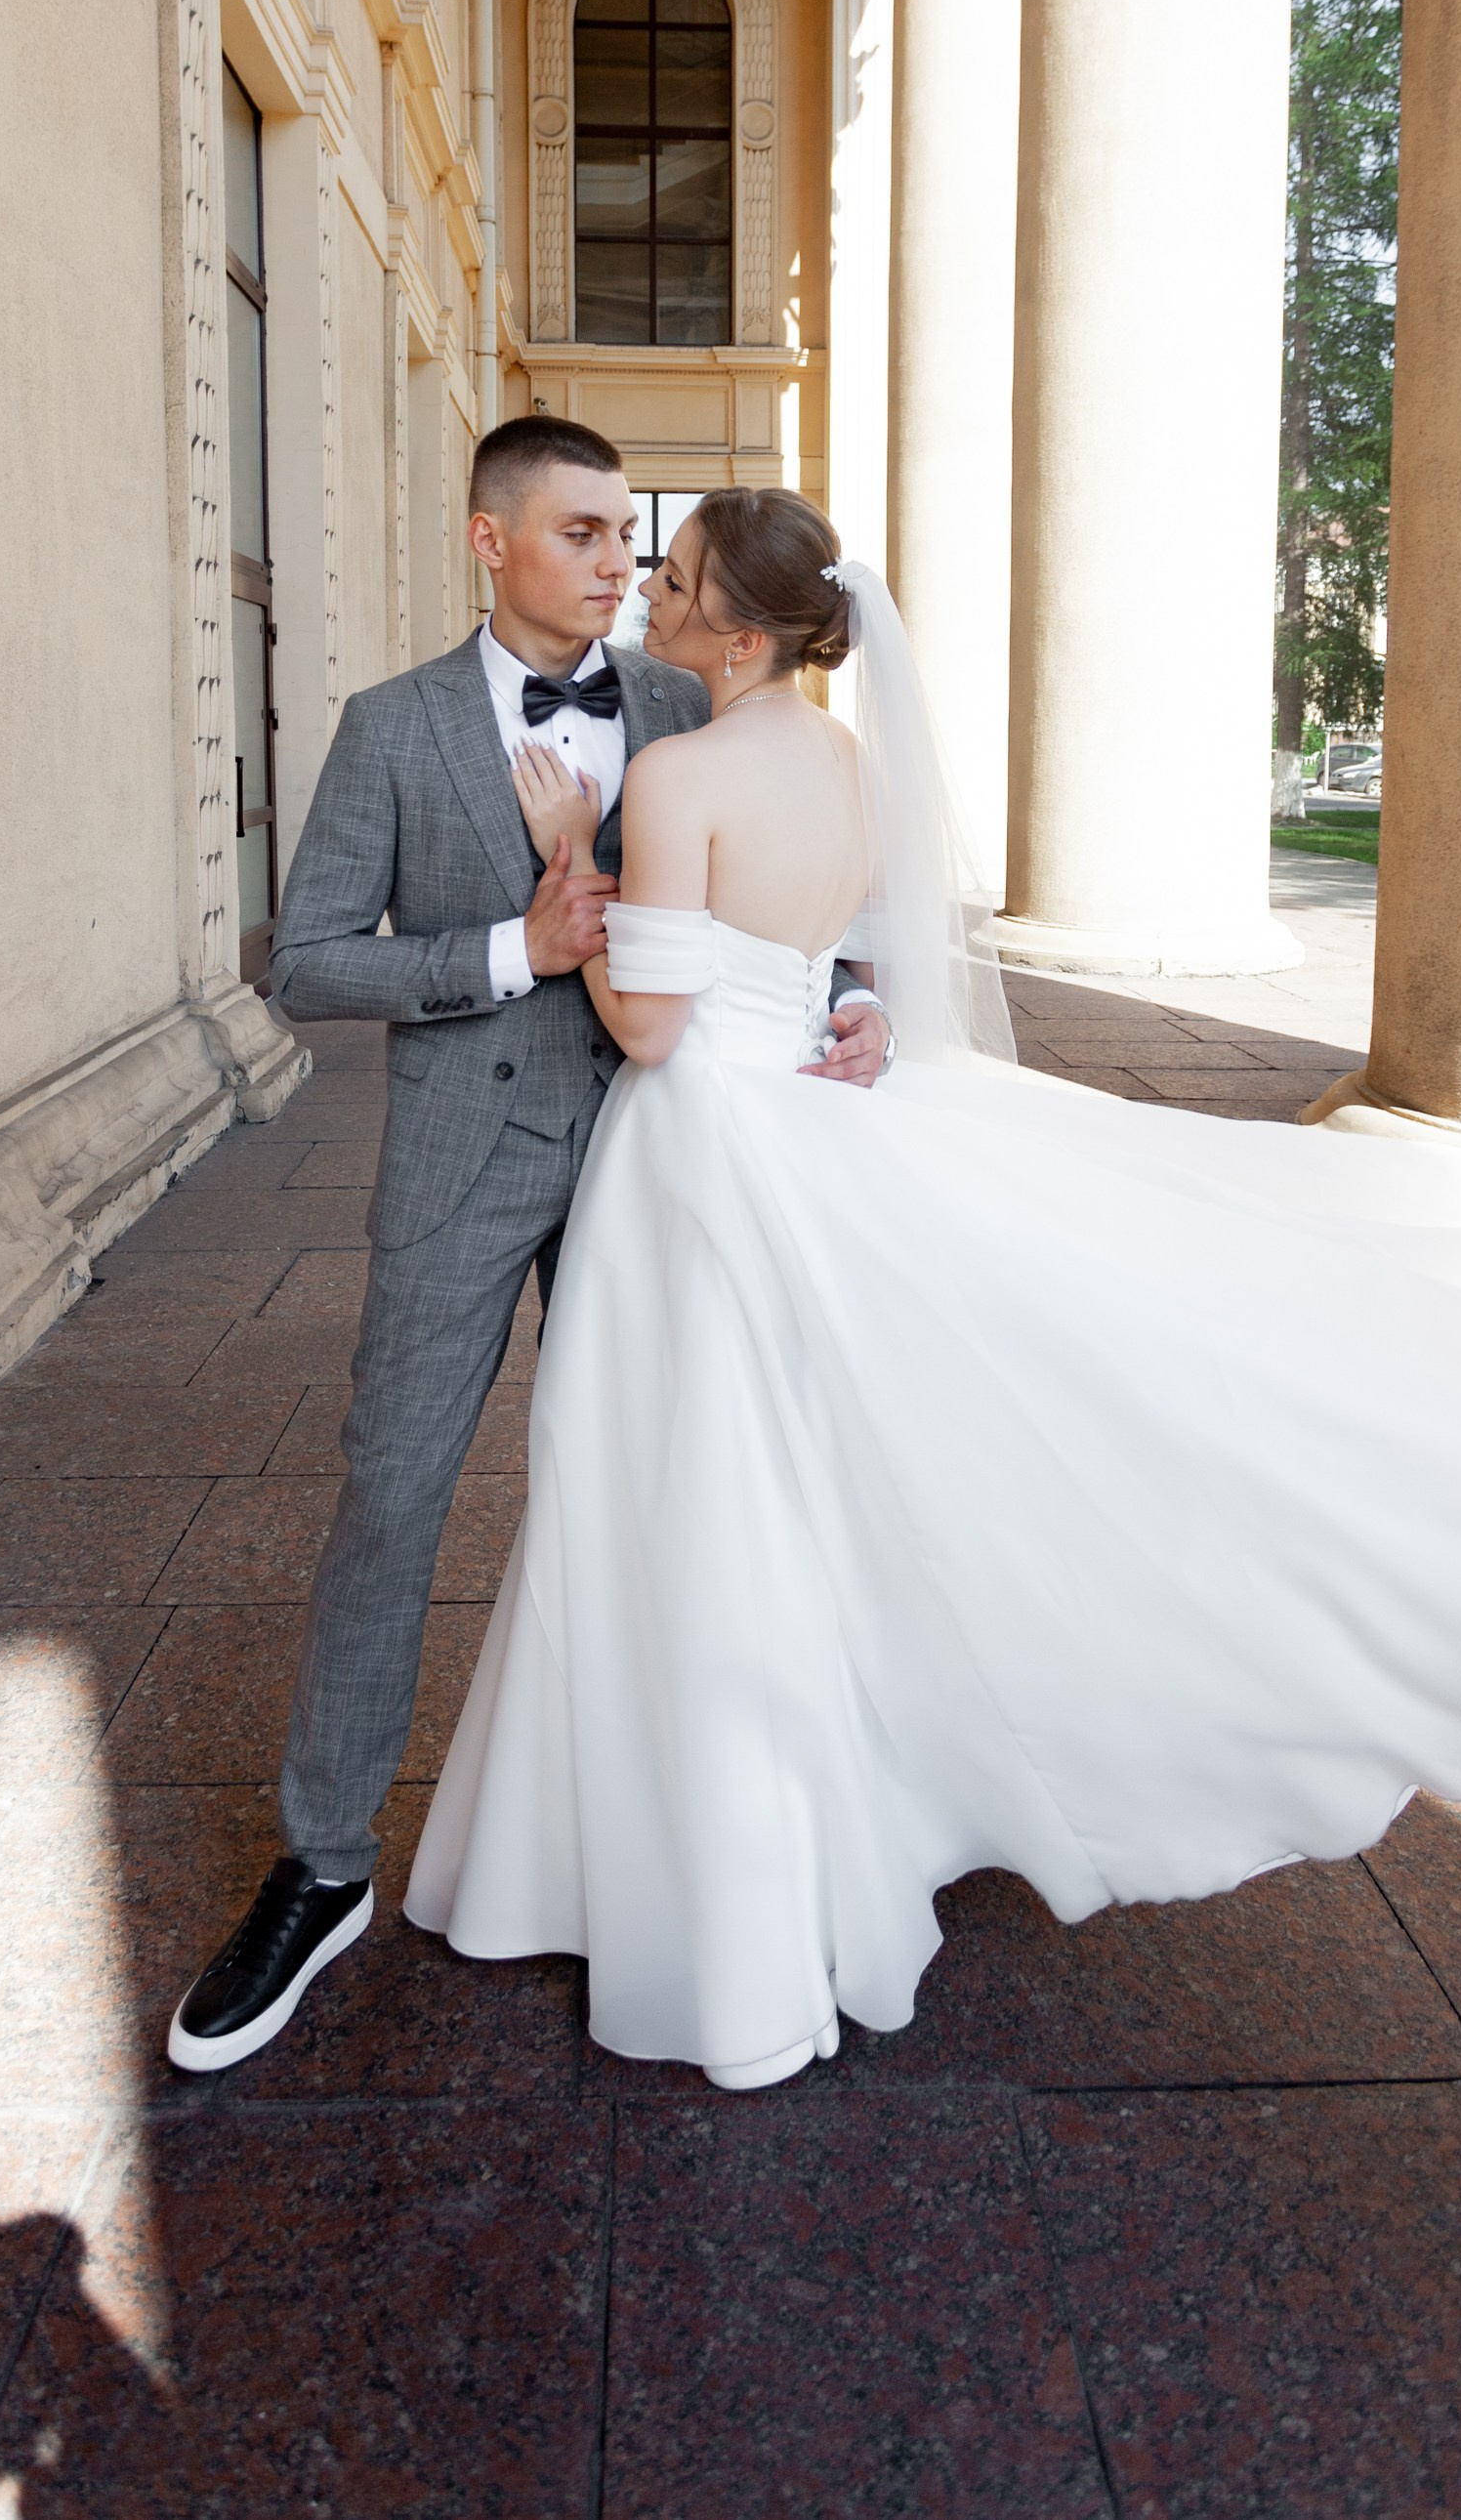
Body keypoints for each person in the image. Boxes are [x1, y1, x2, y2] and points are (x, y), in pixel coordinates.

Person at [402, 487, 1461, 2091]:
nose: (647, 591)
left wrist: (569, 868)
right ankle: (788, 1817)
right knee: (780, 1481)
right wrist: (836, 1000)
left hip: (702, 1143)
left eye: (675, 575)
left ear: (737, 632)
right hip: (802, 1107)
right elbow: (821, 954)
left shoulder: (670, 773)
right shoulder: (845, 760)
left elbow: (651, 1027)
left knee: (690, 1487)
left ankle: (694, 1854)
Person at [167, 423, 891, 2069]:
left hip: (669, 1165)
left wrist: (858, 1006)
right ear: (489, 541)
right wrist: (512, 942)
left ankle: (635, 1855)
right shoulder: (392, 727)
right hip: (468, 1161)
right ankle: (324, 1865)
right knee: (395, 1489)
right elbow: (310, 965)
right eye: (579, 531)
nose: (618, 560)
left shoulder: (689, 704)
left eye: (629, 536)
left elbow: (789, 911)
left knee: (671, 1505)